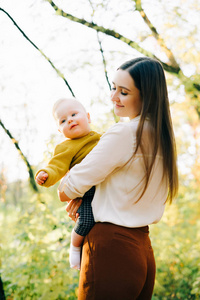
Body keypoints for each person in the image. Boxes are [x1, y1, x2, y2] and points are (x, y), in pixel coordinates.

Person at [58, 57, 179, 300]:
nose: (113, 97)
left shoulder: (124, 133)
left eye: (123, 92)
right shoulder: (163, 139)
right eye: (113, 87)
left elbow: (66, 190)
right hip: (143, 251)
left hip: (110, 249)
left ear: (147, 97)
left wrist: (71, 184)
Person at [35, 98, 101, 270]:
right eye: (63, 120)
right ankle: (75, 247)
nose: (70, 119)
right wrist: (46, 174)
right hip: (86, 194)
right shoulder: (66, 147)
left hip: (105, 189)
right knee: (86, 221)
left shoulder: (102, 138)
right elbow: (56, 166)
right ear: (60, 129)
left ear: (88, 117)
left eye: (74, 114)